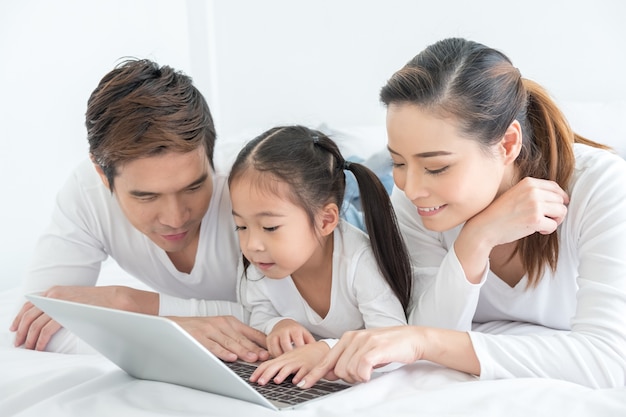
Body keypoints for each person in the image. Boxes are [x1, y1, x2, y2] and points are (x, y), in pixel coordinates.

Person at [298, 37, 626, 389]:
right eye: (399, 161)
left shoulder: (600, 186)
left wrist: (425, 342)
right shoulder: (413, 197)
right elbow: (427, 324)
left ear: (508, 145)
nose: (410, 187)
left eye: (437, 167)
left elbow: (610, 360)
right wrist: (475, 239)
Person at [9, 58, 269, 363]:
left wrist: (133, 303)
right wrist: (174, 329)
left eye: (193, 187)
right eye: (146, 197)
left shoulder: (255, 187)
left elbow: (309, 320)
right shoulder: (86, 193)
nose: (175, 218)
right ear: (103, 174)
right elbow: (35, 327)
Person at [227, 125, 412, 386]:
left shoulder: (360, 263)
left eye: (270, 227)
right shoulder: (259, 263)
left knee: (383, 181)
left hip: (345, 221)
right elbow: (258, 312)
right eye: (241, 226)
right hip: (318, 226)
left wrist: (326, 349)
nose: (252, 244)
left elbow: (394, 340)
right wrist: (277, 325)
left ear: (326, 220)